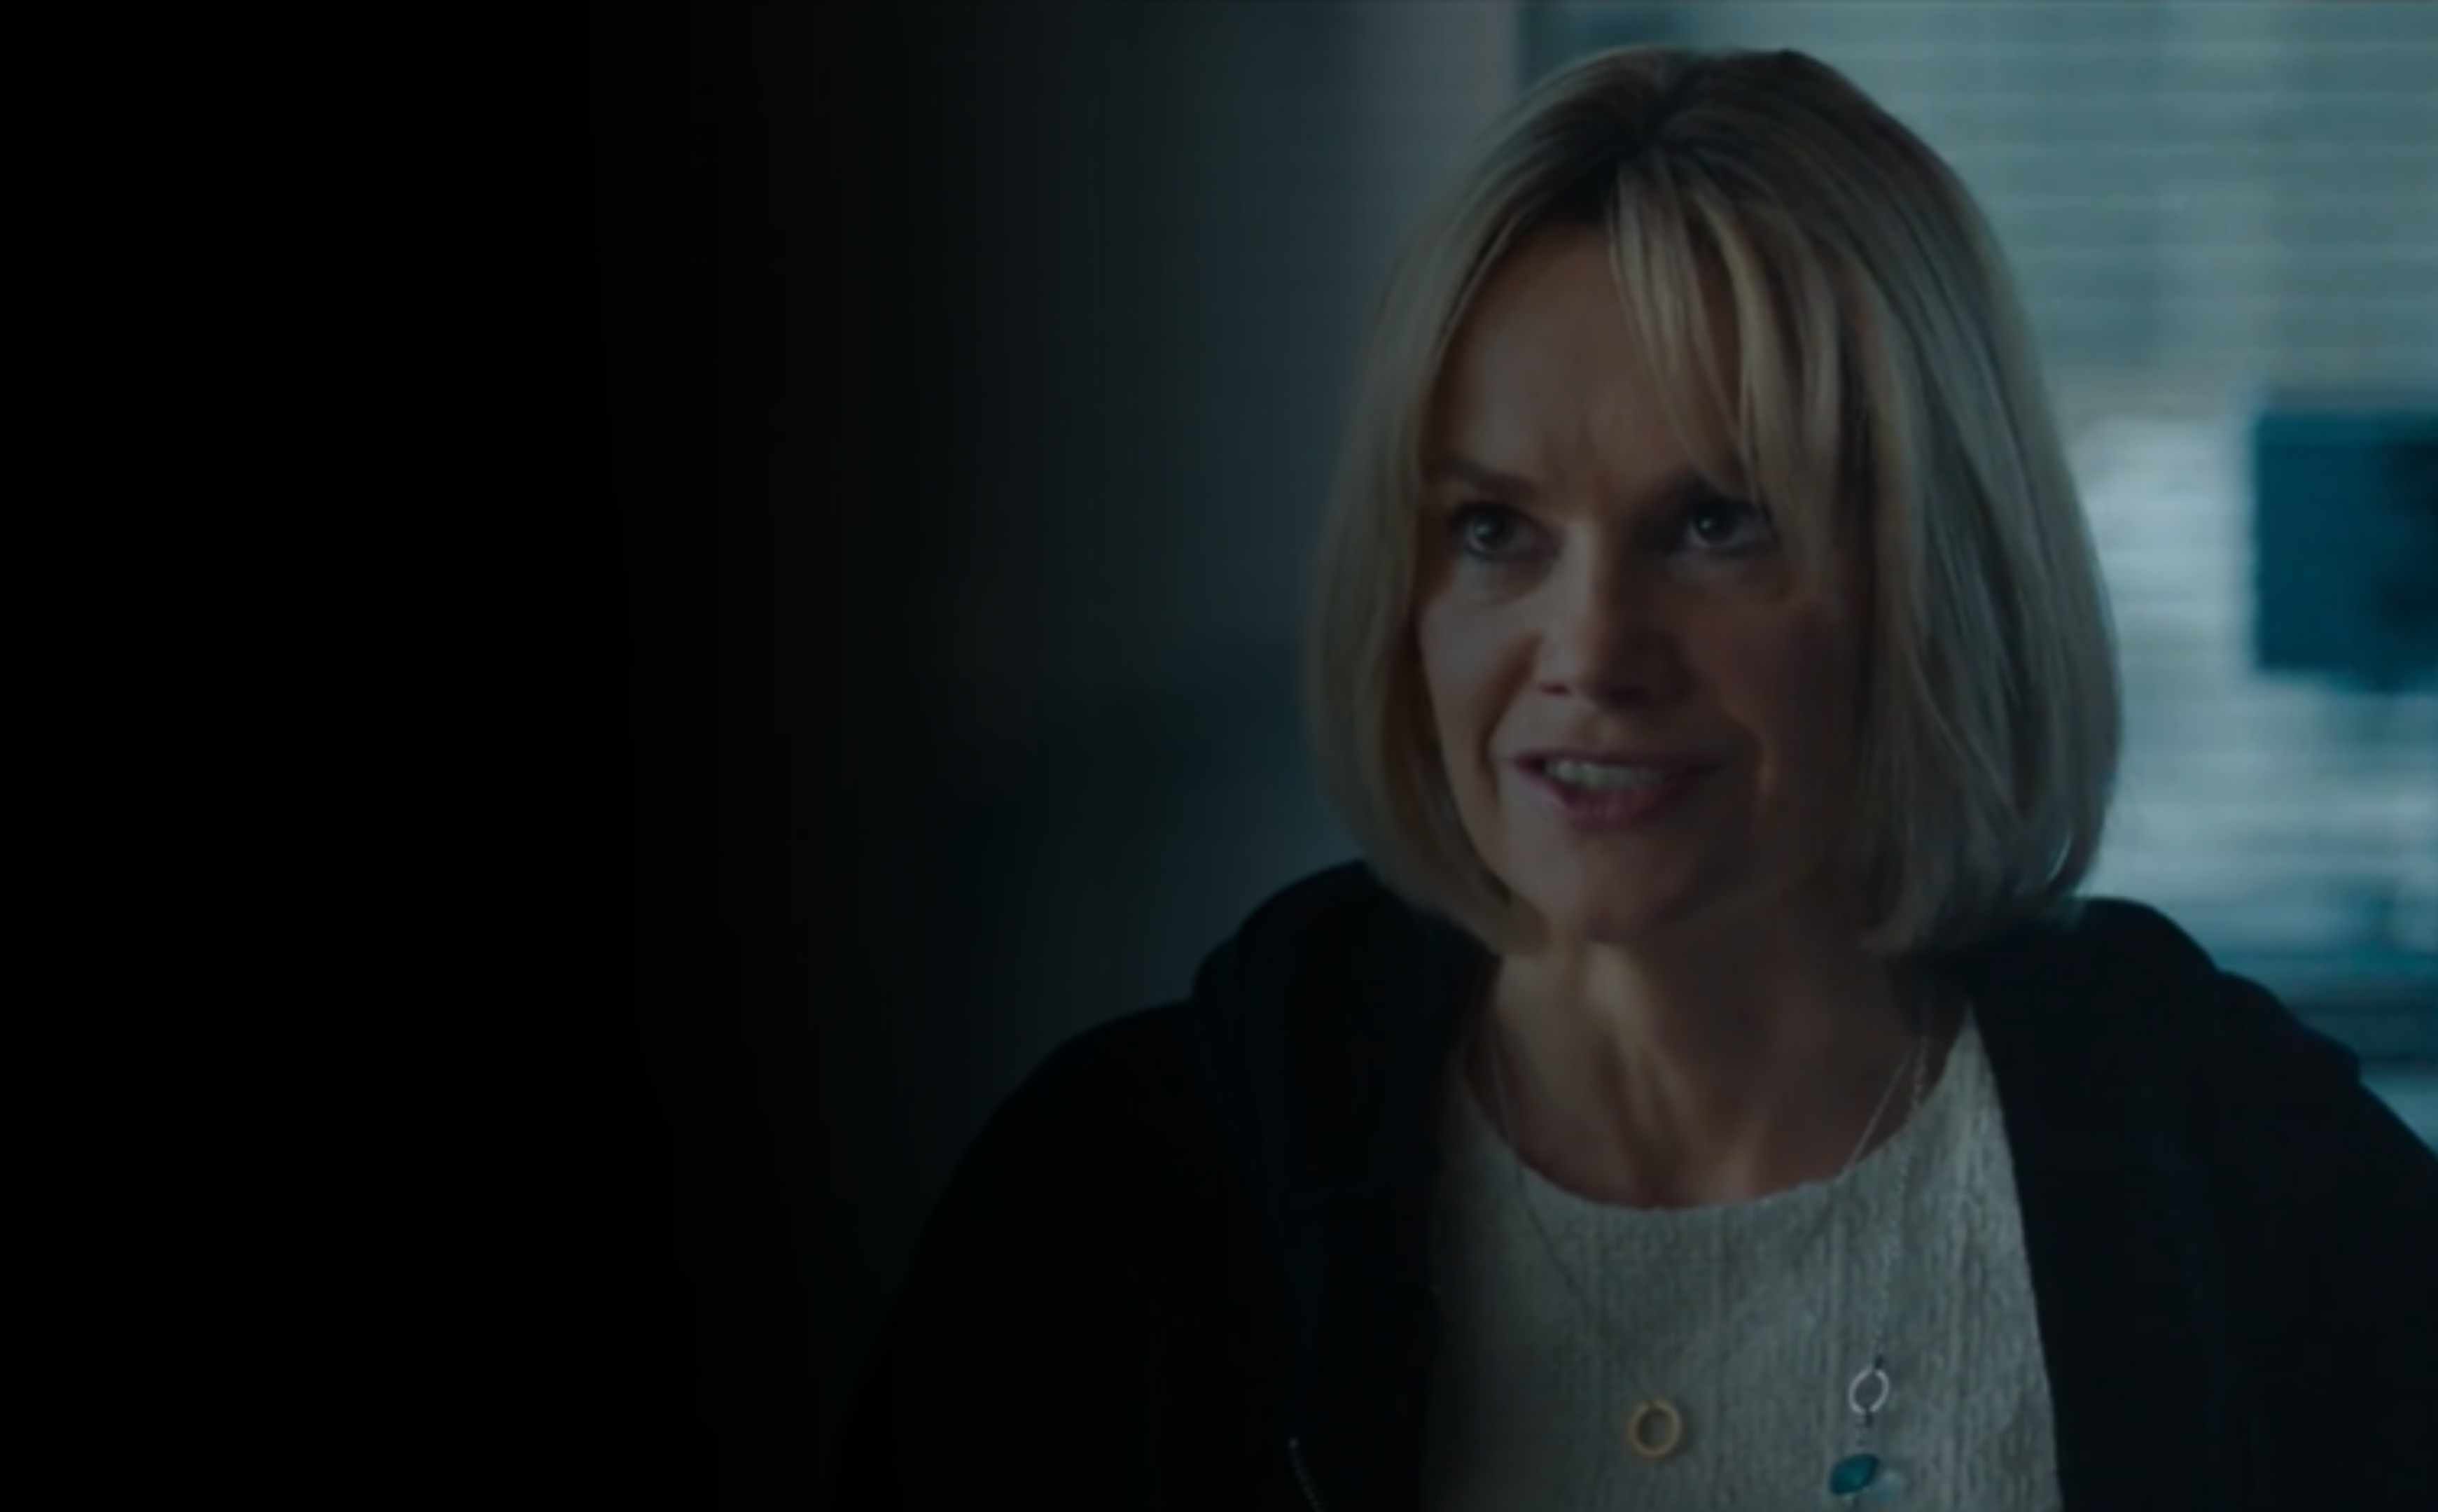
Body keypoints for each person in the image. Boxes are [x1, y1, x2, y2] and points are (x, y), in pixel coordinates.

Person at [831, 44, 2438, 1511]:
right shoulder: (1117, 1204)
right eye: (1495, 530)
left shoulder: (2244, 1187)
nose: (1592, 650)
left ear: (1932, 580)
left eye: (1714, 524)